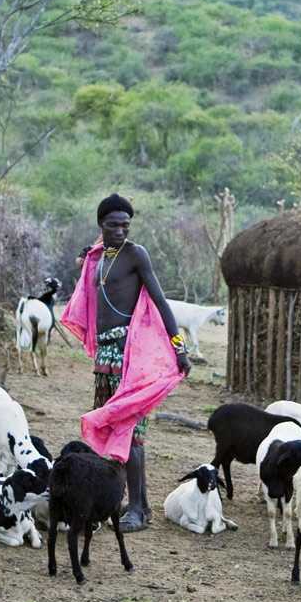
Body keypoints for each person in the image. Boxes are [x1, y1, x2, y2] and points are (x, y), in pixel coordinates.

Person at [60, 193, 190, 531]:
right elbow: (87, 260)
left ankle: (136, 509)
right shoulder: (97, 257)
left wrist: (179, 348)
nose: (120, 231)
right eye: (113, 225)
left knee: (130, 432)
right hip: (104, 355)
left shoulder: (136, 255)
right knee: (110, 431)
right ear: (100, 226)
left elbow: (160, 301)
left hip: (130, 353)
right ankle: (128, 504)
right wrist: (85, 253)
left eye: (125, 225)